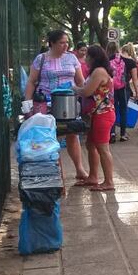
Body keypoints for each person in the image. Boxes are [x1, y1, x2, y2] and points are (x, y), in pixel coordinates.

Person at [23, 30, 86, 182]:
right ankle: (53, 172)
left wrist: (84, 95)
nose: (66, 46)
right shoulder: (41, 59)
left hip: (69, 104)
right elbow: (31, 81)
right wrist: (27, 103)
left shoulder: (72, 58)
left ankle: (80, 169)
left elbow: (80, 81)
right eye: (62, 43)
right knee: (49, 136)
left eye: (67, 42)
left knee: (72, 134)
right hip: (46, 104)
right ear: (51, 43)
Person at [73, 45, 116, 191]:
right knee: (91, 145)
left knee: (103, 148)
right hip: (96, 115)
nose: (85, 59)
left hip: (102, 114)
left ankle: (109, 182)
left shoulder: (99, 71)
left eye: (88, 56)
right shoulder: (96, 71)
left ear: (94, 58)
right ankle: (93, 177)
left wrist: (73, 88)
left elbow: (86, 91)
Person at [106, 42, 138, 142]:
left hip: (111, 89)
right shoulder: (131, 62)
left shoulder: (109, 59)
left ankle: (112, 133)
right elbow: (135, 79)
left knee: (112, 110)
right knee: (124, 110)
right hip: (125, 89)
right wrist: (137, 92)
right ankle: (123, 134)